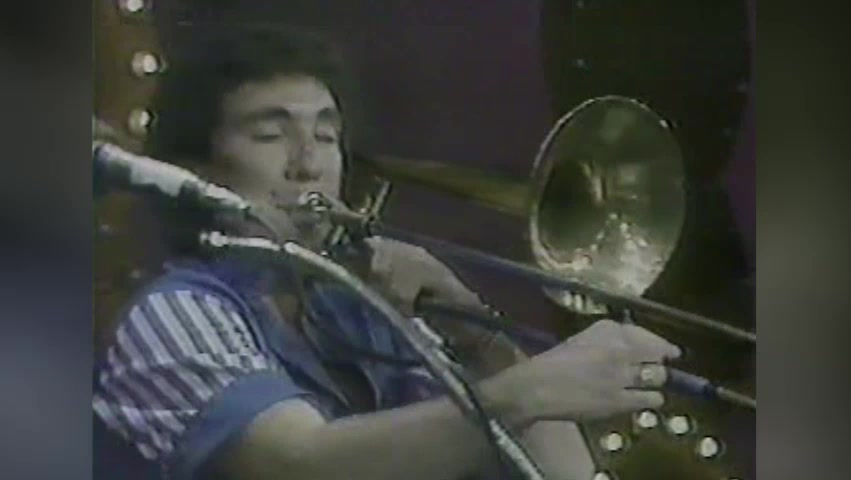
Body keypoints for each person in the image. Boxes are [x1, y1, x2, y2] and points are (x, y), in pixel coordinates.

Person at [92, 27, 681, 480]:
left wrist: (476, 331)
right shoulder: (172, 313)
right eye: (271, 135)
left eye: (327, 136)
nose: (309, 163)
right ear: (193, 172)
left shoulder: (360, 309)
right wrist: (526, 391)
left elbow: (564, 472)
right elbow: (299, 463)